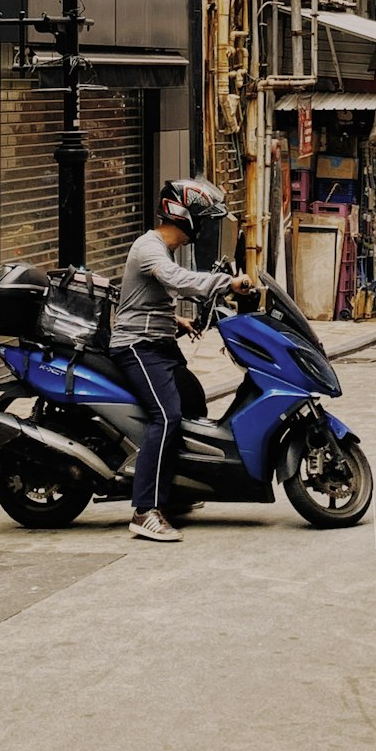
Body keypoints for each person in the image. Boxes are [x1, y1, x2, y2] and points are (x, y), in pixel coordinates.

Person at [110, 178, 253, 543]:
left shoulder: (162, 249)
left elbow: (144, 296)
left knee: (192, 400)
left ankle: (178, 489)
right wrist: (225, 283)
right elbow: (174, 279)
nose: (204, 225)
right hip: (137, 347)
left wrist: (176, 320)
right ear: (183, 215)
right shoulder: (150, 247)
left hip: (159, 343)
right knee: (167, 415)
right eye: (201, 217)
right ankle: (145, 510)